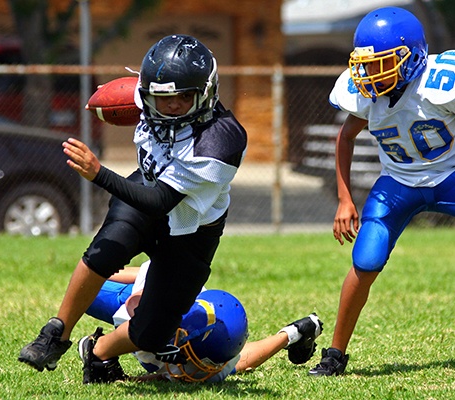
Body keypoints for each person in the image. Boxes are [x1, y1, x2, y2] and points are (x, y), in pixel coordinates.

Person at [18, 34, 248, 374]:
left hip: (190, 225)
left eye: (184, 97)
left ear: (206, 93)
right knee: (105, 249)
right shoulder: (146, 98)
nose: (171, 105)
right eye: (162, 97)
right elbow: (128, 100)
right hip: (146, 188)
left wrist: (99, 174)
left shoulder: (220, 140)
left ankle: (97, 352)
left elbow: (161, 202)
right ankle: (56, 333)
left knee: (153, 332)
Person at [309, 6, 455, 376]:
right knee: (367, 259)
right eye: (366, 65)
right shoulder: (366, 94)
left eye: (383, 63)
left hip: (449, 173)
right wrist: (345, 198)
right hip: (398, 183)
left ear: (413, 57)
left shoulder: (441, 83)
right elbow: (345, 137)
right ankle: (335, 355)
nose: (371, 74)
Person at [81, 260, 324, 383]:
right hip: (138, 294)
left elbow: (240, 361)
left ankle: (298, 332)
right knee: (87, 289)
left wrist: (290, 334)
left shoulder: (220, 352)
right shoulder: (163, 304)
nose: (199, 370)